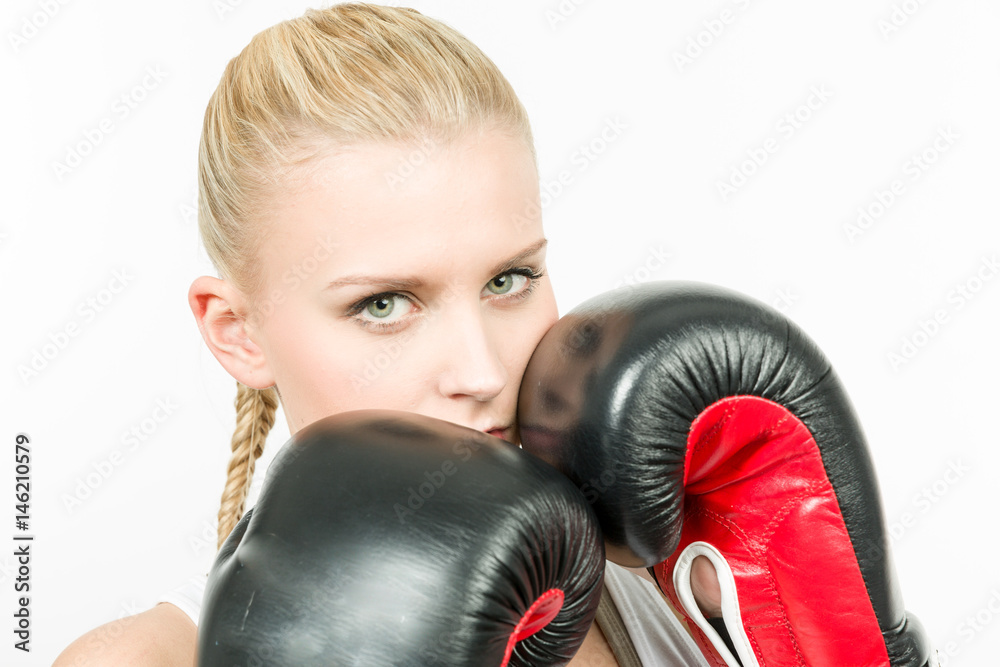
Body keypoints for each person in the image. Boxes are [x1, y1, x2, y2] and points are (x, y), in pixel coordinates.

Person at [52, 4, 719, 665]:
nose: (482, 371)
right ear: (238, 334)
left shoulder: (688, 587)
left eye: (508, 280)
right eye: (382, 304)